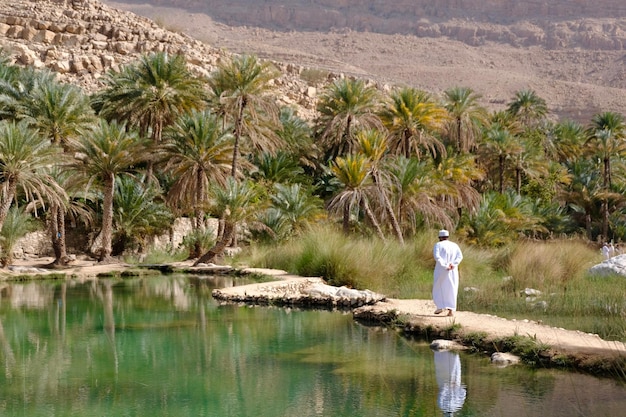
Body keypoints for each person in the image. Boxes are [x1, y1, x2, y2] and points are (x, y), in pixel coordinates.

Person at [433, 229, 463, 317]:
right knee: (452, 288)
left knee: (439, 287)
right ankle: (451, 310)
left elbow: (437, 257)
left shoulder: (438, 245)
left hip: (441, 269)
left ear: (439, 237)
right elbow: (460, 256)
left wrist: (445, 265)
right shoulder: (455, 245)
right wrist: (453, 265)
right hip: (453, 270)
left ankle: (440, 306)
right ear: (447, 237)